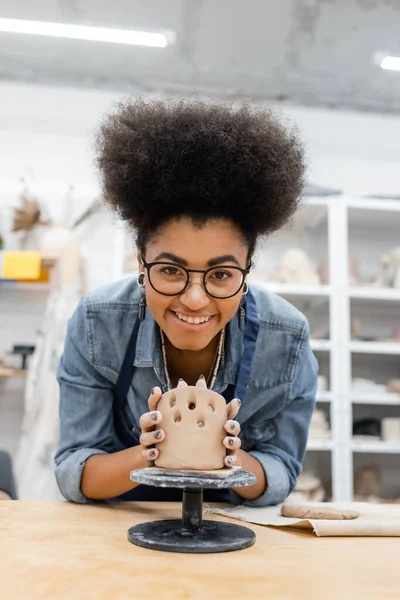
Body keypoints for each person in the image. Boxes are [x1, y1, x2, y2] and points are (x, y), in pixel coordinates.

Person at [54, 99, 318, 506]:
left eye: (221, 275)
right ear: (141, 262)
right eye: (171, 271)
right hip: (118, 532)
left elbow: (281, 471)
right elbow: (75, 468)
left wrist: (226, 457)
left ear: (248, 269)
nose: (195, 299)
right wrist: (155, 451)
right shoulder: (98, 323)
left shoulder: (287, 339)